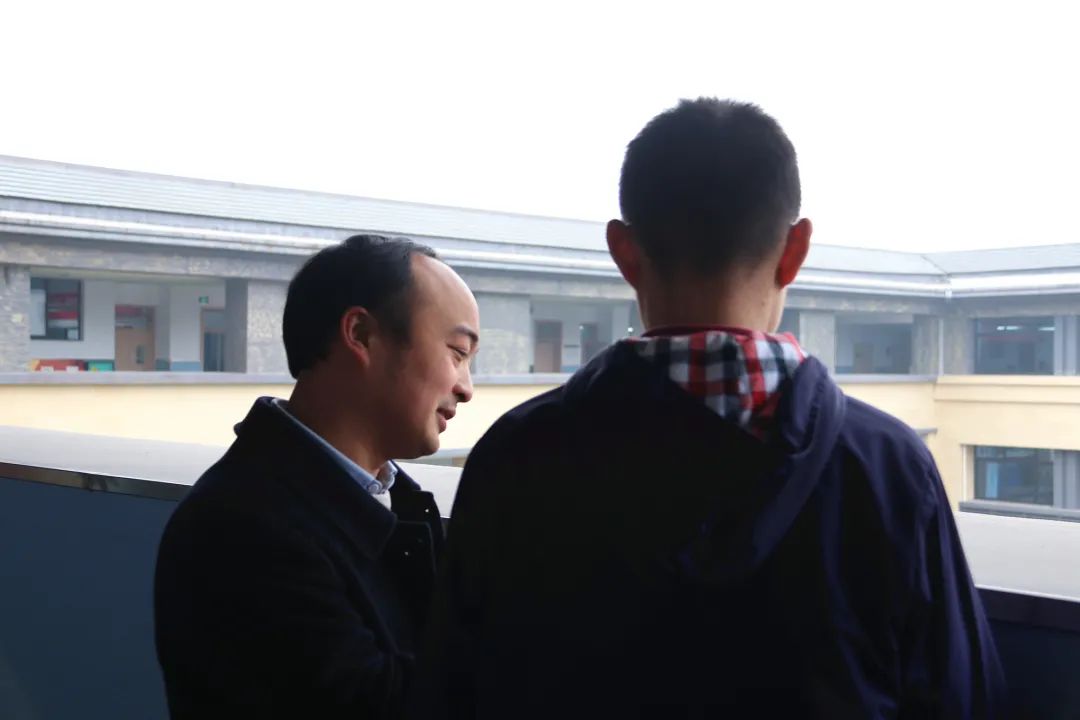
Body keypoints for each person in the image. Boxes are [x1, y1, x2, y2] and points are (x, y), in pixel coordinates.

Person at [412, 99, 1005, 718]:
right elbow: (964, 698)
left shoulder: (515, 456)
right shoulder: (890, 467)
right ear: (795, 251)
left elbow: (451, 688)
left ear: (624, 252)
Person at [155, 234, 479, 719]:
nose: (466, 388)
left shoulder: (393, 504)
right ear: (361, 334)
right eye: (457, 352)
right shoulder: (241, 529)